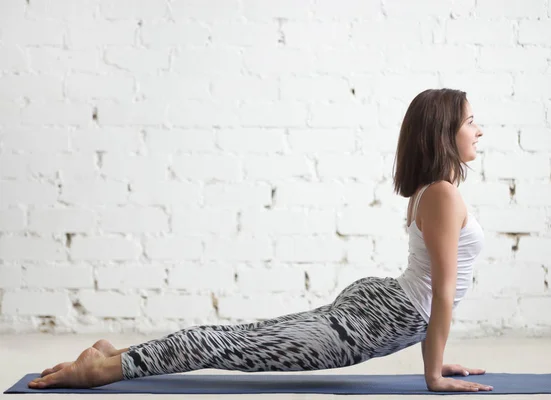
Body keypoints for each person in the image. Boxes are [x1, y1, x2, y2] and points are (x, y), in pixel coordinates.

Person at [28, 88, 491, 392]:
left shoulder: (435, 192)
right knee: (238, 345)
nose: (479, 130)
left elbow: (434, 293)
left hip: (385, 308)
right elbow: (442, 295)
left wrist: (438, 359)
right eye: (471, 122)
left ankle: (120, 355)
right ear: (444, 134)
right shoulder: (444, 196)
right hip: (378, 319)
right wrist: (433, 374)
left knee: (242, 338)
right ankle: (104, 368)